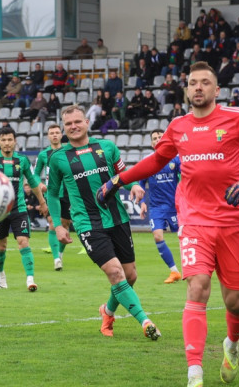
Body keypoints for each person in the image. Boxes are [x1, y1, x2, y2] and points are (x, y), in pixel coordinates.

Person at [99, 62, 239, 387]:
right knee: (197, 288)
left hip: (234, 222)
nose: (198, 88)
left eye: (205, 83)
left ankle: (231, 344)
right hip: (195, 221)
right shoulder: (178, 126)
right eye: (192, 83)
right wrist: (118, 179)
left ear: (216, 90)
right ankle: (194, 374)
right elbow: (156, 161)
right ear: (186, 90)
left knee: (234, 301)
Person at [46, 105, 160, 342]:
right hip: (87, 224)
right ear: (64, 128)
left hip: (117, 218)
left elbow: (122, 176)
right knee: (116, 273)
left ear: (87, 122)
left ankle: (107, 312)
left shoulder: (107, 147)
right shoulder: (58, 158)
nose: (73, 127)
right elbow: (53, 194)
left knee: (130, 276)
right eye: (68, 124)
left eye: (77, 121)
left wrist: (135, 186)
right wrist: (58, 224)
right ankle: (145, 321)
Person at [0, 128, 47, 290]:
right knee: (1, 246)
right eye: (3, 140)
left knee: (23, 242)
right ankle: (0, 274)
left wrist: (42, 202)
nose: (6, 143)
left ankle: (30, 279)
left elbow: (33, 182)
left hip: (19, 208)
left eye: (9, 139)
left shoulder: (23, 161)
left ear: (15, 141)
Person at [139, 130, 182, 284]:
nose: (157, 140)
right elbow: (140, 182)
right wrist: (142, 201)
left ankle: (194, 269)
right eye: (154, 138)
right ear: (151, 144)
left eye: (160, 137)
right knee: (157, 236)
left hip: (174, 206)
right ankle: (174, 271)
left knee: (184, 237)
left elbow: (185, 177)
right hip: (156, 207)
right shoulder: (148, 161)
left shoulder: (175, 159)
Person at [33, 123, 70, 272]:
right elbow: (34, 175)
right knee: (53, 224)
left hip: (67, 192)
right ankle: (56, 259)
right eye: (51, 133)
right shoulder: (43, 155)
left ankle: (60, 253)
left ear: (61, 135)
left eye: (57, 132)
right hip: (51, 193)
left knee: (65, 224)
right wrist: (40, 184)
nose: (54, 135)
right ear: (48, 136)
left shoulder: (68, 152)